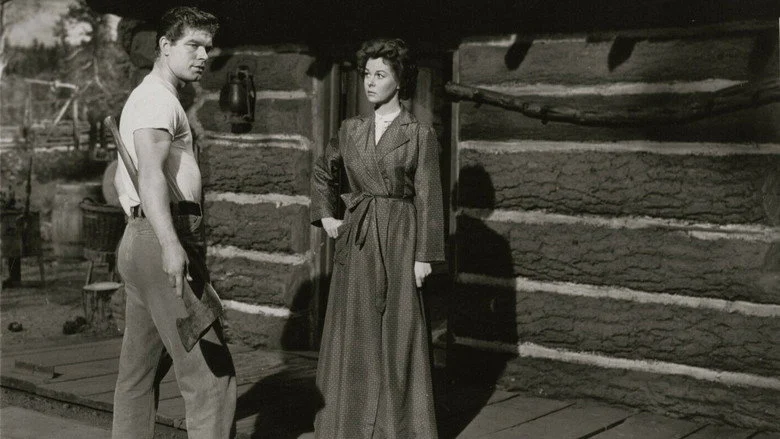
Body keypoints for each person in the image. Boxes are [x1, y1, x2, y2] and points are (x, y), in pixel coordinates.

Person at [112, 7, 236, 439]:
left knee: (137, 376)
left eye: (208, 48)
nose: (204, 56)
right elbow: (149, 174)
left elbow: (128, 178)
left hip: (142, 237)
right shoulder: (156, 100)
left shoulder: (154, 97)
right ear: (165, 46)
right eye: (193, 45)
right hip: (159, 239)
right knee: (211, 378)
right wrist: (169, 244)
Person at [311, 38, 445, 438]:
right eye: (367, 74)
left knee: (399, 331)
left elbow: (428, 195)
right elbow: (323, 172)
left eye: (380, 74)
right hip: (358, 237)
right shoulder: (350, 129)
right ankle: (348, 424)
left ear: (399, 81)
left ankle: (398, 428)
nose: (370, 82)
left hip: (401, 237)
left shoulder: (418, 134)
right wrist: (327, 215)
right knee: (355, 328)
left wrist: (424, 255)